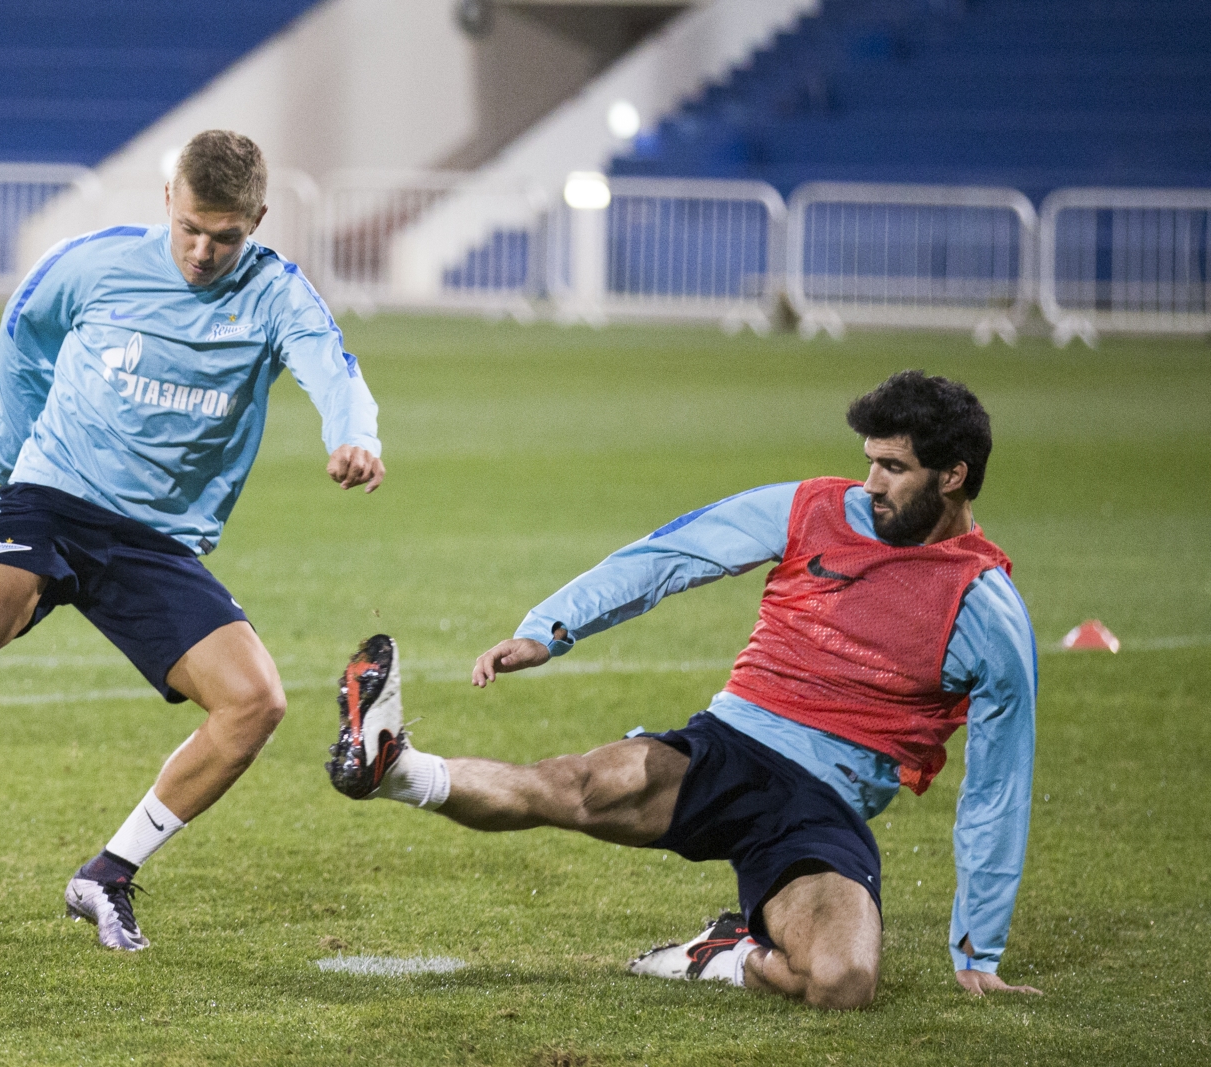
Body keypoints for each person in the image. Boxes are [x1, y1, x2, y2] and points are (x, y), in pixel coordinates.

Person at [0, 130, 386, 952]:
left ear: (257, 219)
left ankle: (107, 874)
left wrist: (353, 434)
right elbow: (24, 329)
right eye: (190, 228)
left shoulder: (277, 295)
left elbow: (332, 364)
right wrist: (16, 443)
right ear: (167, 200)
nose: (202, 251)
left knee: (255, 702)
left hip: (154, 538)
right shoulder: (95, 263)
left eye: (224, 236)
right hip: (53, 494)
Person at [328, 371, 1040, 1009]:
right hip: (732, 746)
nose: (873, 484)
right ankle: (395, 767)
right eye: (871, 462)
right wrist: (550, 629)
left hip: (821, 809)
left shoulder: (984, 609)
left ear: (953, 475)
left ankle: (724, 956)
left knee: (842, 982)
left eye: (895, 467)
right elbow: (671, 555)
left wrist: (977, 951)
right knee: (574, 786)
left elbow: (998, 785)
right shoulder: (813, 508)